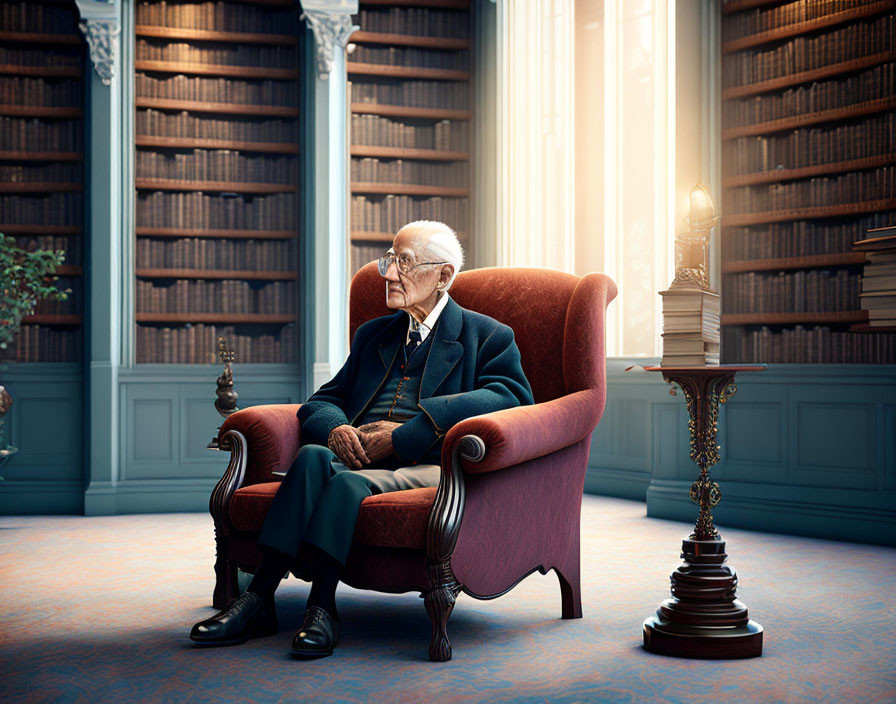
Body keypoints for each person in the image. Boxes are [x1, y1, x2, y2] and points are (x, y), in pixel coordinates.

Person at [190, 220, 533, 657]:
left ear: (443, 276)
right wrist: (336, 429)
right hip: (357, 459)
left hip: (425, 464)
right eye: (388, 260)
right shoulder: (375, 334)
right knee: (313, 455)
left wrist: (408, 435)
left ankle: (321, 605)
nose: (388, 274)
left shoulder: (486, 336)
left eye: (404, 262)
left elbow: (511, 397)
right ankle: (259, 598)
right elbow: (321, 401)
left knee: (347, 482)